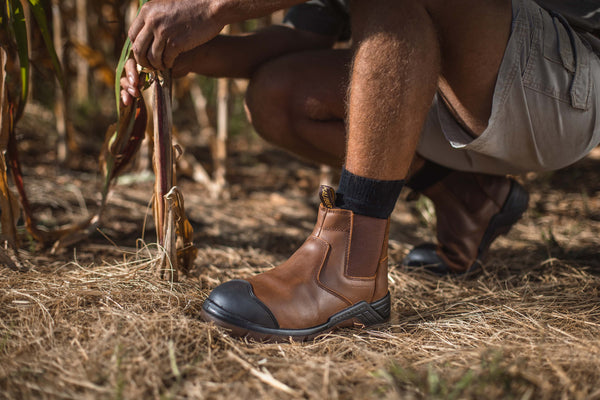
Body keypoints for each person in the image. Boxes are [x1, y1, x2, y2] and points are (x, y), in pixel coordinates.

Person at [121, 0, 600, 341]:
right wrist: (188, 50)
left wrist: (210, 7)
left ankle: (351, 266)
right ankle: (468, 196)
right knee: (278, 94)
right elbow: (301, 37)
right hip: (459, 86)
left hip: (563, 83)